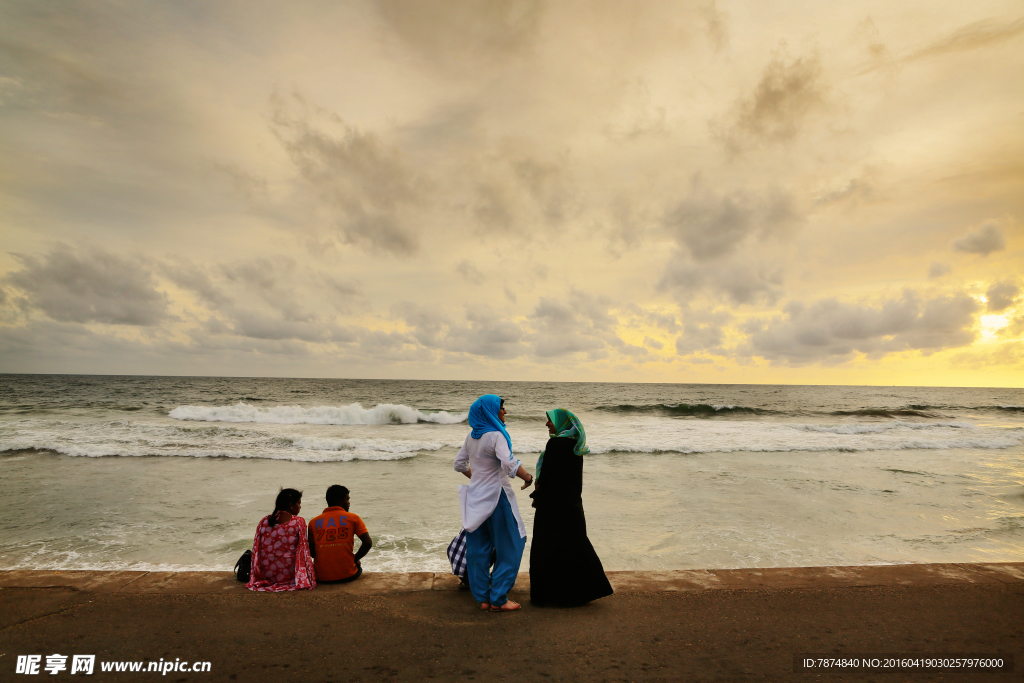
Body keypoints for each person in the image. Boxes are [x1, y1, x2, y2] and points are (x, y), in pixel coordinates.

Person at [454, 394, 534, 612]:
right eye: (501, 408)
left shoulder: (472, 437)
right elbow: (509, 465)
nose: (504, 412)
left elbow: (459, 464)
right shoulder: (497, 435)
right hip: (497, 497)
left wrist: (478, 479)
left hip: (475, 497)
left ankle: (483, 598)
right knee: (513, 543)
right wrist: (528, 478)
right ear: (490, 411)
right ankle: (498, 598)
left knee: (478, 549)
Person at [529, 408, 613, 606]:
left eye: (550, 421)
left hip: (552, 507)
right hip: (572, 506)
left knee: (548, 548)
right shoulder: (575, 445)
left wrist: (537, 495)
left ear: (560, 424)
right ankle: (580, 593)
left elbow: (548, 477)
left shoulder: (555, 443)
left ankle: (548, 596)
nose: (547, 424)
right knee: (574, 547)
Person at [246, 488, 316, 592]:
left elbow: (258, 550)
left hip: (267, 576)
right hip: (289, 578)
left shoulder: (264, 521)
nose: (300, 507)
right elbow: (304, 552)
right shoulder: (298, 522)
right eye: (299, 503)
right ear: (291, 505)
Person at [307, 485, 372, 583]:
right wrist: (354, 559)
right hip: (347, 575)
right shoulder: (353, 518)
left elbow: (312, 553)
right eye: (347, 499)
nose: (349, 503)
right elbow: (367, 543)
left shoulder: (313, 522)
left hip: (321, 578)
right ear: (339, 502)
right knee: (358, 567)